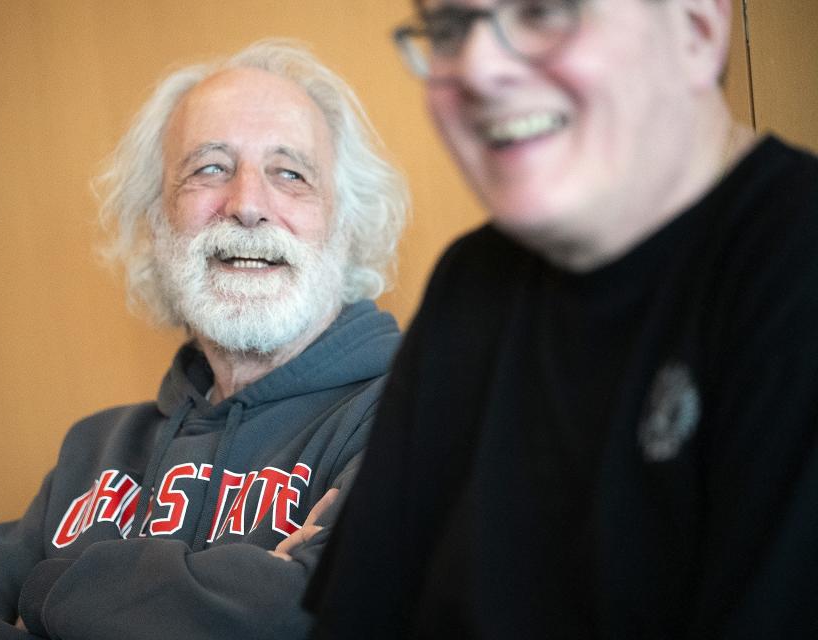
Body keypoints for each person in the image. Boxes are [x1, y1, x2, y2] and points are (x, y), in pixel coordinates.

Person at [308, 0, 818, 638]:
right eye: (448, 29)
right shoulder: (472, 279)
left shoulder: (795, 265)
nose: (478, 67)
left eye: (543, 11)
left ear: (696, 31)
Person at [0, 40, 407, 640]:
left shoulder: (415, 418)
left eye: (290, 173)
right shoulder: (94, 449)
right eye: (210, 168)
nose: (248, 204)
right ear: (155, 221)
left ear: (345, 227)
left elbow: (317, 614)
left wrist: (52, 587)